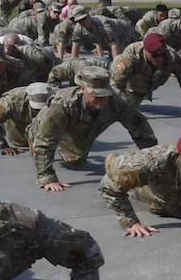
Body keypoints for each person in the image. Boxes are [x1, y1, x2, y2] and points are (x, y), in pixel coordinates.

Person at [27, 68, 157, 190]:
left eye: (104, 95)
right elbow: (45, 140)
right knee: (41, 143)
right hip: (47, 125)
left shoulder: (117, 102)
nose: (100, 100)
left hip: (80, 129)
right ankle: (31, 132)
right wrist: (47, 177)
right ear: (83, 89)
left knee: (76, 159)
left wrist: (152, 160)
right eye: (96, 95)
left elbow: (140, 128)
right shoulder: (63, 106)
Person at [109, 31, 181, 105]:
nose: (159, 58)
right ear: (146, 51)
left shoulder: (171, 57)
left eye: (162, 54)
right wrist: (121, 107)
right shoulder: (130, 57)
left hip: (146, 86)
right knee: (125, 107)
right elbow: (117, 86)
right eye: (155, 55)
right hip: (130, 85)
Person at [0, 81, 54, 156]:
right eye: (36, 109)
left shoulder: (60, 98)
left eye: (43, 108)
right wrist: (3, 145)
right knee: (23, 142)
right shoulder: (10, 101)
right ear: (27, 101)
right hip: (20, 131)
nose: (40, 112)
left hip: (51, 127)